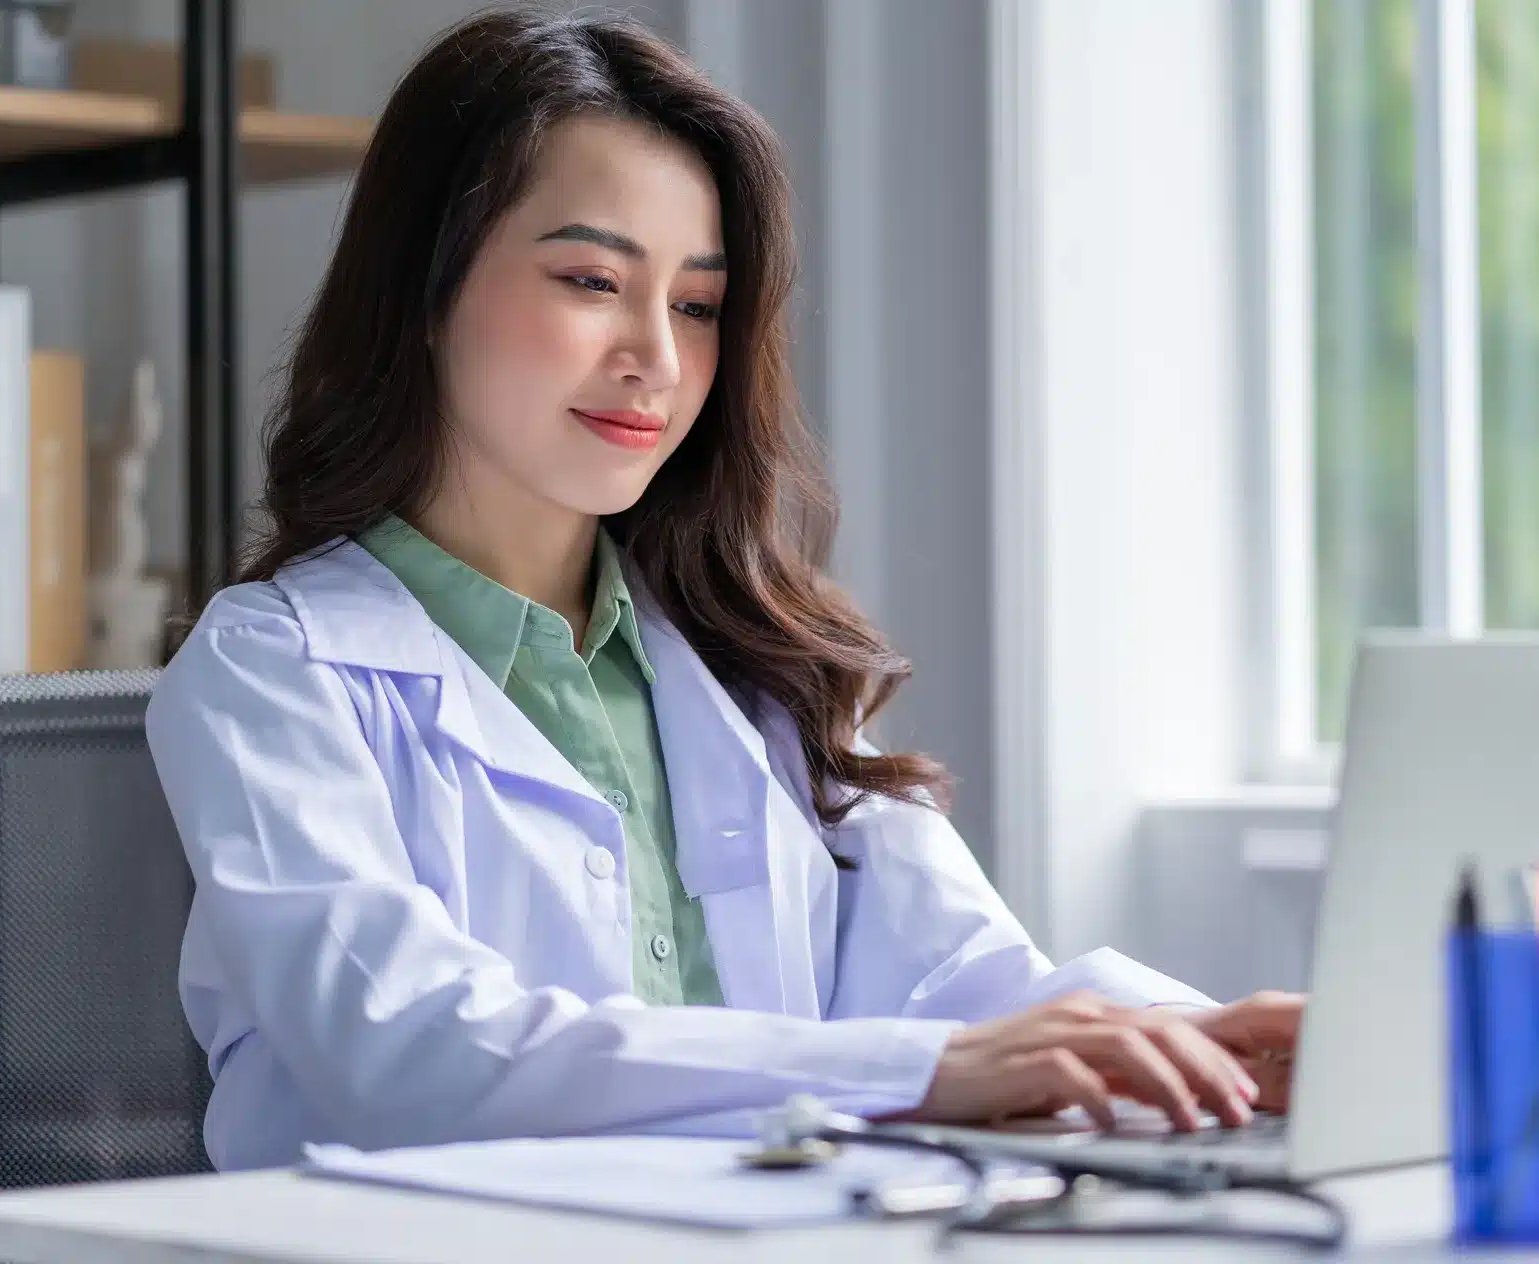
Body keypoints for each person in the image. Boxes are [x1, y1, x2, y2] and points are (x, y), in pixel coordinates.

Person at [147, 8, 1304, 1173]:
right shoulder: (270, 667)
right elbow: (408, 1049)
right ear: (425, 288)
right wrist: (917, 1072)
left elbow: (962, 977)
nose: (655, 355)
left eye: (696, 304)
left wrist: (1180, 1040)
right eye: (591, 278)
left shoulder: (749, 655)